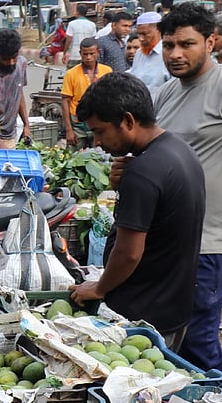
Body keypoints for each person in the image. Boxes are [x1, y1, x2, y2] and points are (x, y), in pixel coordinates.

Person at [70, 72, 204, 347]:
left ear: (128, 121)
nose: (97, 142)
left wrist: (99, 287)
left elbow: (129, 253)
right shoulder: (179, 150)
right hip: (173, 307)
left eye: (99, 131)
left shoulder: (142, 172)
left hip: (143, 318)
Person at [153, 2, 222, 372]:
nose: (175, 54)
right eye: (168, 45)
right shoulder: (165, 94)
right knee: (173, 338)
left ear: (211, 42)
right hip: (169, 237)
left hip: (211, 238)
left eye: (187, 44)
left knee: (199, 336)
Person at [0, 29, 31, 148]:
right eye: (5, 59)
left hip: (10, 136)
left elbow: (19, 94)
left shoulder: (22, 64)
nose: (11, 62)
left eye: (14, 57)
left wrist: (26, 125)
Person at [61, 38, 112, 147]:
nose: (88, 57)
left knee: (99, 157)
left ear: (98, 52)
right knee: (74, 159)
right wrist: (69, 130)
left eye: (91, 53)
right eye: (85, 54)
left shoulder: (107, 71)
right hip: (78, 124)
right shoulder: (71, 73)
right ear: (80, 54)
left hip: (100, 122)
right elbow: (66, 101)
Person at [128, 11, 170, 96]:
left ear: (158, 30)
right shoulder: (139, 53)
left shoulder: (168, 54)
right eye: (139, 34)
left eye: (144, 34)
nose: (141, 39)